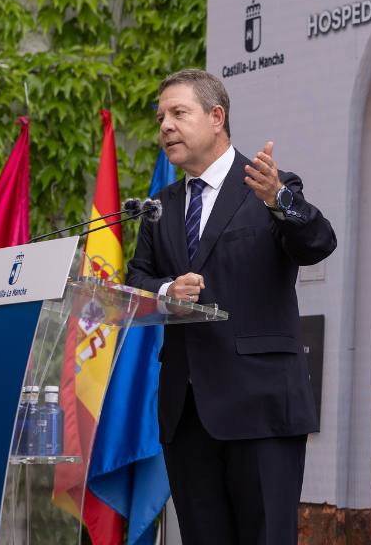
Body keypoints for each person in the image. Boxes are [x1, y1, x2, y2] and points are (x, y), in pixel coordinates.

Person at [125, 68, 336, 545]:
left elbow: (319, 242)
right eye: (161, 117)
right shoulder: (160, 206)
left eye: (178, 113)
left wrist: (279, 198)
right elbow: (137, 278)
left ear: (216, 117)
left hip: (261, 408)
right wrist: (166, 293)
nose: (165, 127)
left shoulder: (266, 188)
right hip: (187, 412)